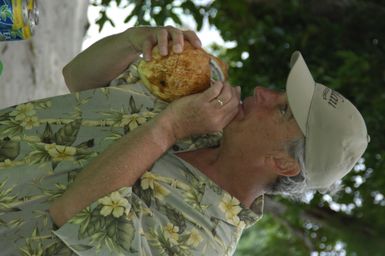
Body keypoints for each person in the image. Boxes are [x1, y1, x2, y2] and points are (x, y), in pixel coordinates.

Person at [0, 26, 368, 255]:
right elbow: (78, 78)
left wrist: (168, 129)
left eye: (283, 110)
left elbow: (70, 213)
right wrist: (133, 40)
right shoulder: (201, 99)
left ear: (284, 163)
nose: (262, 92)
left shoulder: (202, 240)